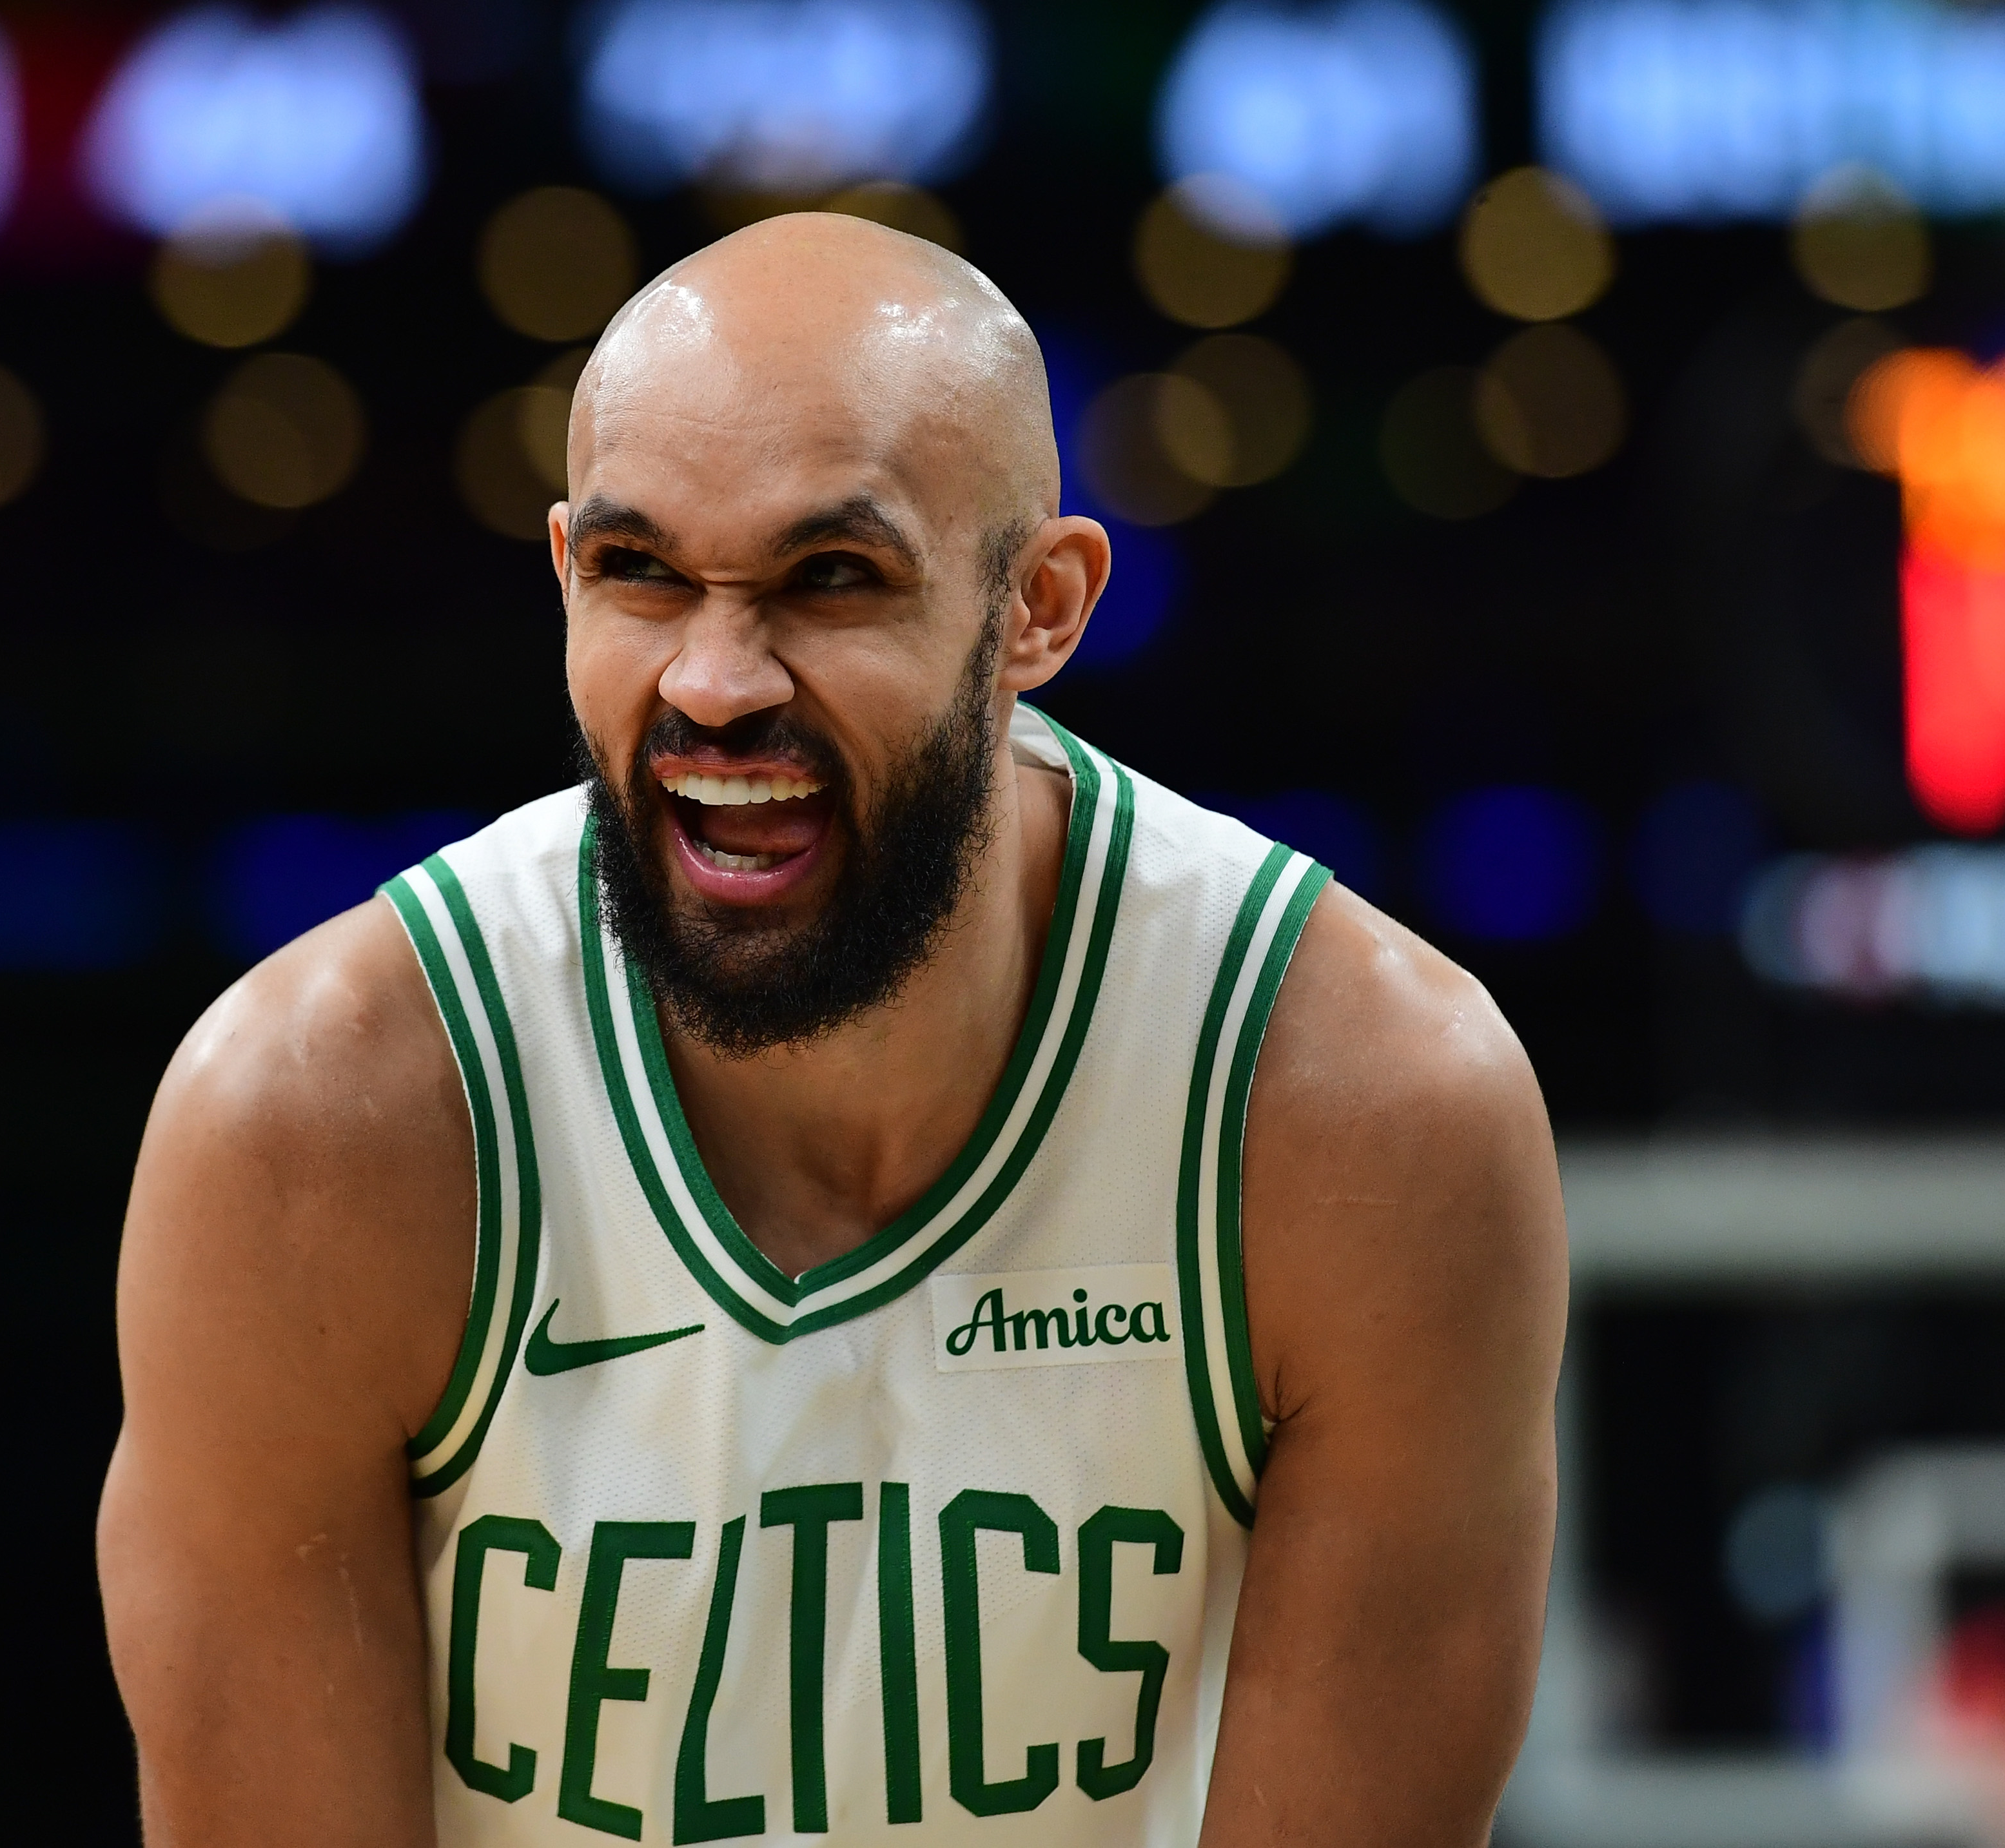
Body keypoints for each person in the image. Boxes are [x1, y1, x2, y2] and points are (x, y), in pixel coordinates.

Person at [98, 213, 1567, 1846]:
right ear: (565, 571)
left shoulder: (1359, 1114)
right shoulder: (313, 1128)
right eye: (641, 573)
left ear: (1038, 608)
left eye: (830, 578)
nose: (713, 682)